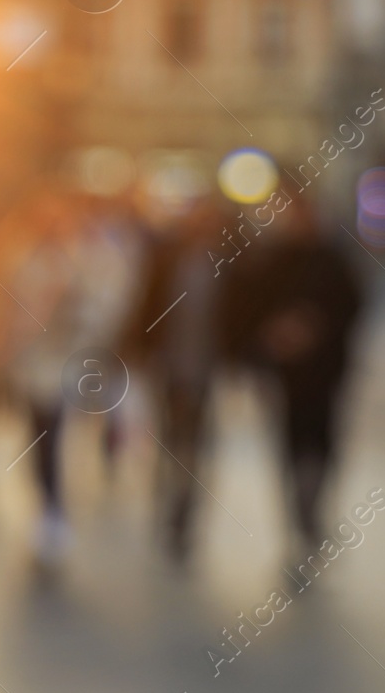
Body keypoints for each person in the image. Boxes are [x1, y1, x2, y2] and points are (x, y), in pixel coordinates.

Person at [221, 191, 361, 543]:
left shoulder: (333, 259)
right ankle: (298, 513)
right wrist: (270, 339)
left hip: (325, 375)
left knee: (321, 444)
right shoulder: (273, 259)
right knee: (289, 444)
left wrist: (314, 327)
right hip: (286, 376)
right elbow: (246, 308)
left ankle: (312, 506)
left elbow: (351, 307)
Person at [133, 197, 224, 561]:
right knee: (170, 441)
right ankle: (168, 502)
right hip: (169, 367)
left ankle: (185, 510)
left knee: (194, 445)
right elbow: (148, 304)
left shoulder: (226, 264)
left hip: (204, 371)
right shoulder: (168, 260)